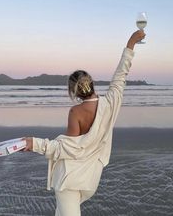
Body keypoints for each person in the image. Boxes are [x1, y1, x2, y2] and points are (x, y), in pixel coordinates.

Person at [23, 30, 146, 216]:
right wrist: (131, 44)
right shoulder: (111, 103)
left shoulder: (76, 112)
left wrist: (35, 143)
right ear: (92, 84)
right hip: (90, 180)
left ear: (73, 93)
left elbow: (69, 149)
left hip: (69, 181)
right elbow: (121, 75)